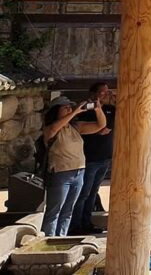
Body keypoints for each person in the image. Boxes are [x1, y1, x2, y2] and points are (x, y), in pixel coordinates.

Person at [41, 95, 106, 237]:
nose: (70, 109)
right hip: (61, 173)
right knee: (54, 210)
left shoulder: (75, 127)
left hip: (79, 172)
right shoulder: (50, 129)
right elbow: (53, 128)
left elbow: (100, 125)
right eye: (65, 108)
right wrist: (75, 111)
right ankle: (48, 239)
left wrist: (98, 109)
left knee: (68, 210)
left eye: (70, 107)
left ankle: (61, 238)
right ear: (56, 111)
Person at [71, 82, 115, 235]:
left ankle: (87, 222)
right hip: (89, 158)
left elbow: (106, 128)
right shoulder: (85, 112)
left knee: (93, 192)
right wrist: (95, 108)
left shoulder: (111, 110)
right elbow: (99, 129)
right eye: (102, 92)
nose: (106, 94)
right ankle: (76, 224)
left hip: (105, 157)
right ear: (93, 93)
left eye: (107, 91)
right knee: (83, 193)